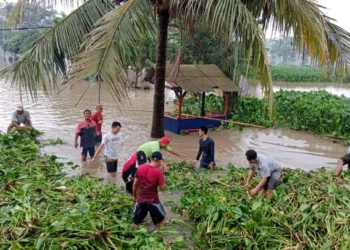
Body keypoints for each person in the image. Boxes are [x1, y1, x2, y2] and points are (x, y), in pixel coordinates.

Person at [133, 151, 167, 227]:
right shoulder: (158, 171)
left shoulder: (140, 167)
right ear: (160, 161)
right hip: (153, 201)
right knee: (162, 222)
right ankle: (160, 236)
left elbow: (135, 184)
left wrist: (134, 197)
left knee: (136, 223)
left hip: (140, 200)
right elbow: (162, 188)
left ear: (151, 158)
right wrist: (164, 184)